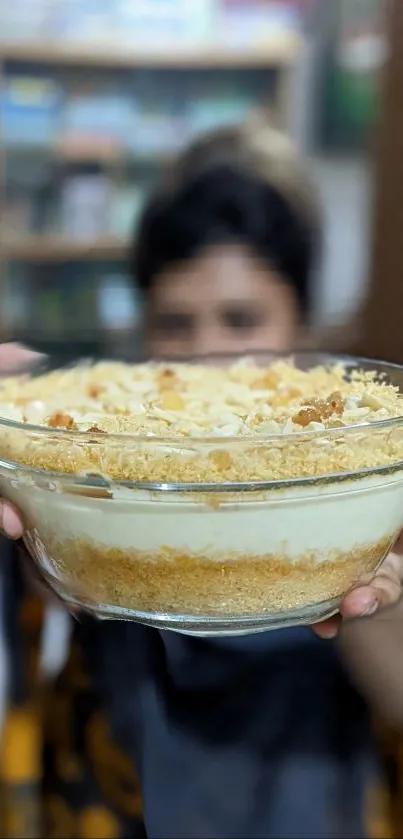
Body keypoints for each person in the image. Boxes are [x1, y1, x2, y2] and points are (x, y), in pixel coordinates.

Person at [1, 119, 403, 838]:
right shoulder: (103, 450)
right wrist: (35, 528)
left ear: (303, 327)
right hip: (112, 789)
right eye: (174, 323)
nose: (205, 356)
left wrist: (371, 588)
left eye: (241, 319)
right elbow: (44, 584)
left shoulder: (360, 460)